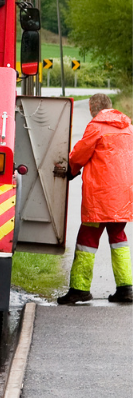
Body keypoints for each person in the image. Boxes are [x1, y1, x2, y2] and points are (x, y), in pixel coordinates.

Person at [57, 93, 133, 305]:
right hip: (123, 195)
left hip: (100, 196)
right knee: (118, 237)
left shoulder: (96, 127)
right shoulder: (128, 127)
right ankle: (126, 288)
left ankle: (79, 289)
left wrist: (71, 170)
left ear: (92, 108)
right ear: (110, 106)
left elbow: (79, 154)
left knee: (87, 239)